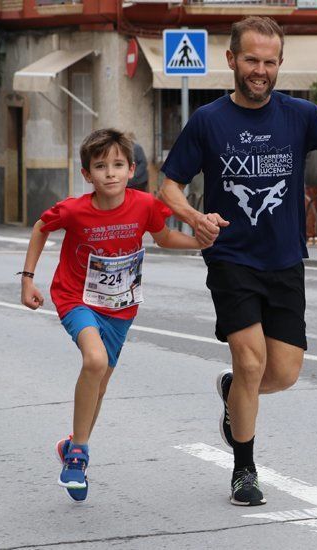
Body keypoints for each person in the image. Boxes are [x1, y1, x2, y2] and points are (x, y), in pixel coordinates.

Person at [158, 16, 317, 506]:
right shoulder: (208, 121)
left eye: (270, 62)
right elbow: (169, 186)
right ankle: (244, 471)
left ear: (280, 64)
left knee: (284, 373)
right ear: (231, 60)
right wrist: (193, 218)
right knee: (251, 361)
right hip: (230, 257)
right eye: (251, 60)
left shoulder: (300, 114)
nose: (260, 70)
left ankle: (232, 394)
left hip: (286, 257)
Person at [19, 129, 201, 502]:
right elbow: (41, 227)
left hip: (120, 308)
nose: (110, 173)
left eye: (118, 165)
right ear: (87, 174)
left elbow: (164, 238)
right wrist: (27, 279)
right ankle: (78, 455)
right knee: (95, 360)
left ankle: (73, 442)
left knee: (99, 384)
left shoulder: (144, 205)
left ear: (131, 169)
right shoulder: (74, 209)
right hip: (76, 299)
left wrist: (202, 242)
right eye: (100, 166)